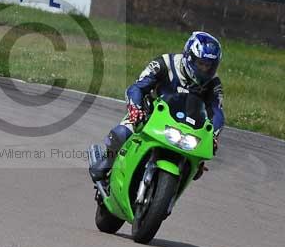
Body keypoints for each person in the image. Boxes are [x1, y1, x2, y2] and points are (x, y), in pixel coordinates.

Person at [89, 31, 225, 182]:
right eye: (201, 64)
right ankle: (106, 162)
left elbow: (217, 112)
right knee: (121, 133)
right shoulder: (164, 63)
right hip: (150, 116)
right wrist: (135, 108)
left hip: (186, 128)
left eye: (209, 66)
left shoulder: (214, 83)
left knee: (196, 166)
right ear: (189, 57)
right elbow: (137, 88)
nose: (204, 70)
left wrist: (213, 135)